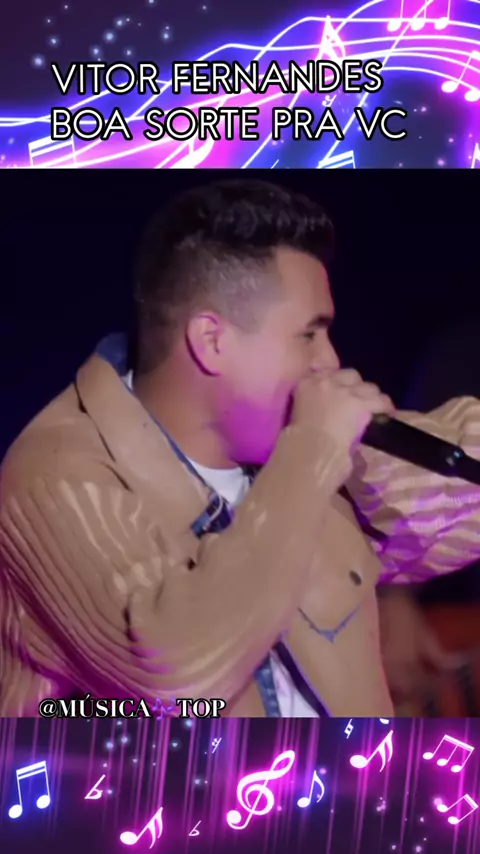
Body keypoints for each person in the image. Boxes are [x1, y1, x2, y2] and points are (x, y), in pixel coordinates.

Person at [1, 178, 480, 718]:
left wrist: (325, 450)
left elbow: (456, 485)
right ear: (212, 341)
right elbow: (180, 678)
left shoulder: (295, 445)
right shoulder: (55, 479)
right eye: (309, 334)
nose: (330, 361)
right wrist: (313, 453)